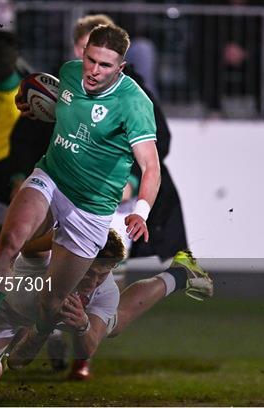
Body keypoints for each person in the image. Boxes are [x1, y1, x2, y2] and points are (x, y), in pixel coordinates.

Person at [0, 24, 162, 363]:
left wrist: (140, 212)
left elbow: (151, 166)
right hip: (51, 177)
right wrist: (31, 107)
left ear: (121, 68)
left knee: (52, 302)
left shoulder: (134, 104)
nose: (93, 70)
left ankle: (41, 331)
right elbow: (62, 112)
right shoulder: (69, 74)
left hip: (92, 207)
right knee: (10, 239)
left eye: (104, 65)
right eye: (90, 60)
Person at [64, 14, 190, 379]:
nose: (95, 64)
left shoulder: (135, 94)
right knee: (54, 275)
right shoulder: (65, 86)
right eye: (87, 52)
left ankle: (81, 356)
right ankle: (54, 342)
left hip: (114, 205)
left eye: (105, 58)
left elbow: (157, 145)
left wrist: (132, 181)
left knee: (103, 290)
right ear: (79, 50)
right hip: (71, 200)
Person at [0, 230, 212, 392]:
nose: (93, 282)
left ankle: (179, 275)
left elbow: (85, 348)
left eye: (103, 275)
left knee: (116, 324)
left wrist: (82, 326)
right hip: (8, 310)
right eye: (89, 272)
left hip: (47, 312)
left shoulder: (105, 291)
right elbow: (26, 245)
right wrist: (65, 235)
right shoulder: (43, 261)